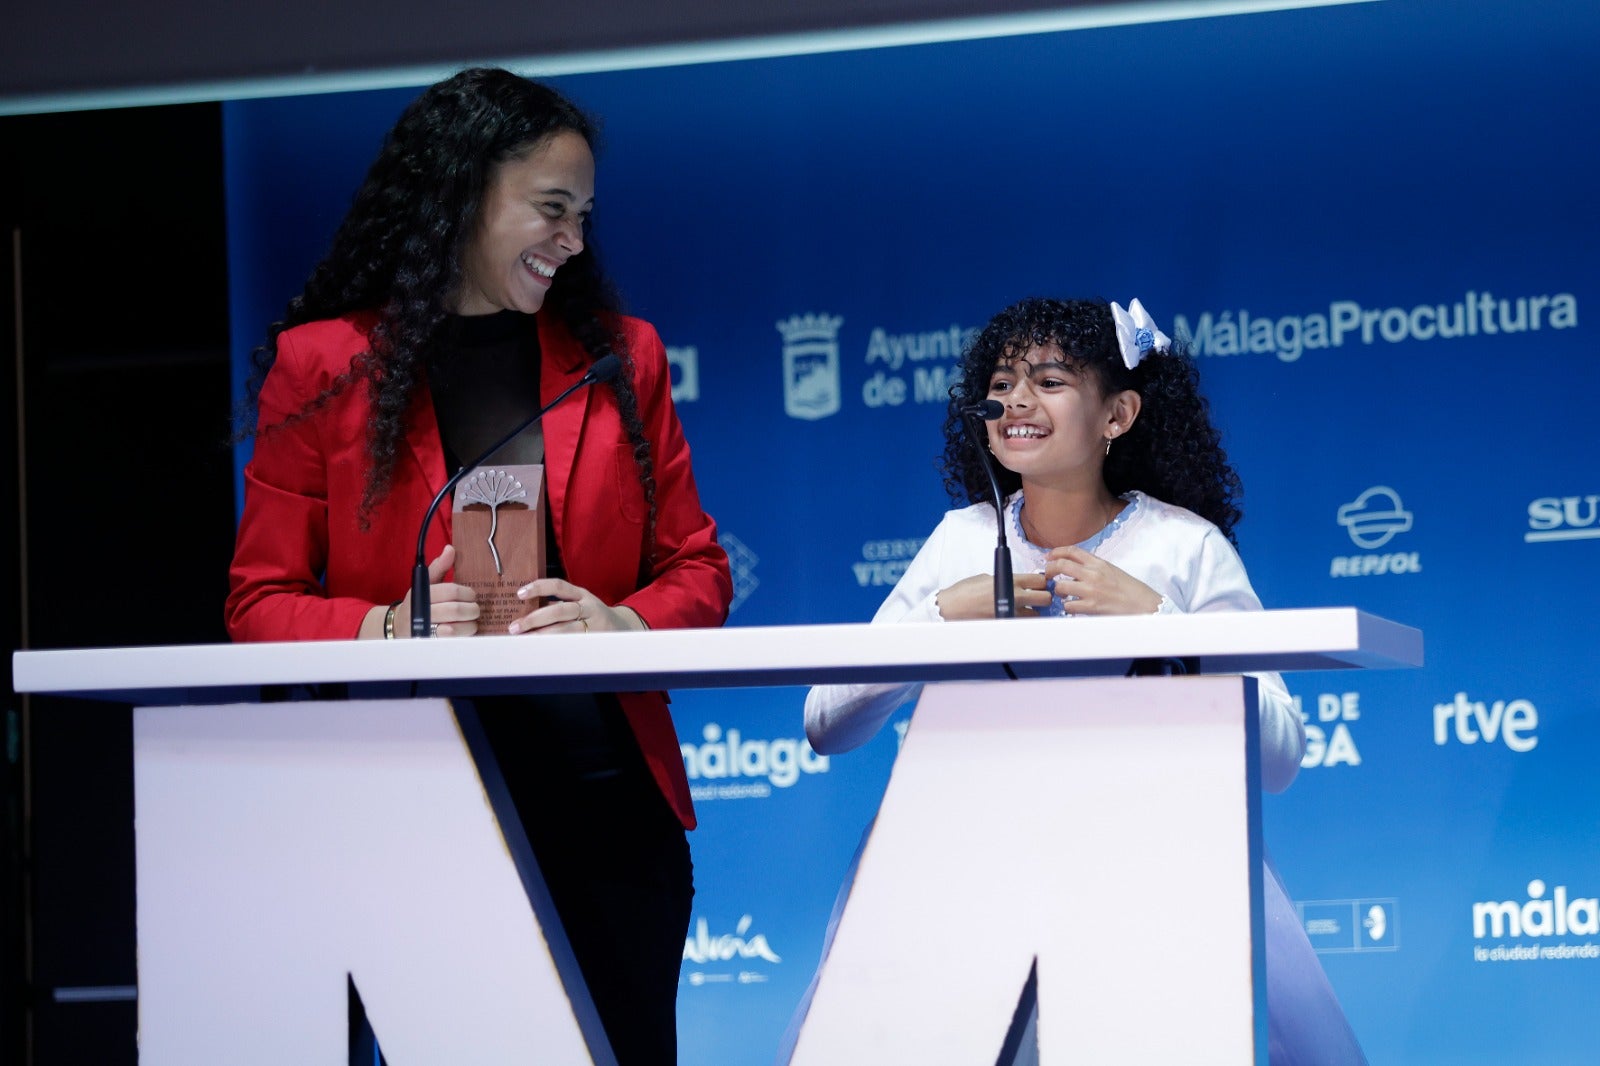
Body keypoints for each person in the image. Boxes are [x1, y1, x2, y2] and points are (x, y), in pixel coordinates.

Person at [226, 68, 732, 1064]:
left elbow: (697, 567)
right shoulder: (323, 364)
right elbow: (258, 602)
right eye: (551, 208)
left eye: (584, 215)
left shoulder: (617, 357)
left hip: (603, 804)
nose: (574, 241)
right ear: (461, 194)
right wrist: (382, 626)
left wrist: (618, 624)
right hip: (404, 801)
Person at [800, 297, 1365, 1065]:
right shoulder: (958, 542)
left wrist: (1163, 626)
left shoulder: (1182, 547)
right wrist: (937, 621)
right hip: (958, 879)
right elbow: (827, 724)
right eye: (1002, 382)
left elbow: (1281, 756)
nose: (1015, 401)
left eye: (1050, 380)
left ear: (1118, 414)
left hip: (1152, 878)